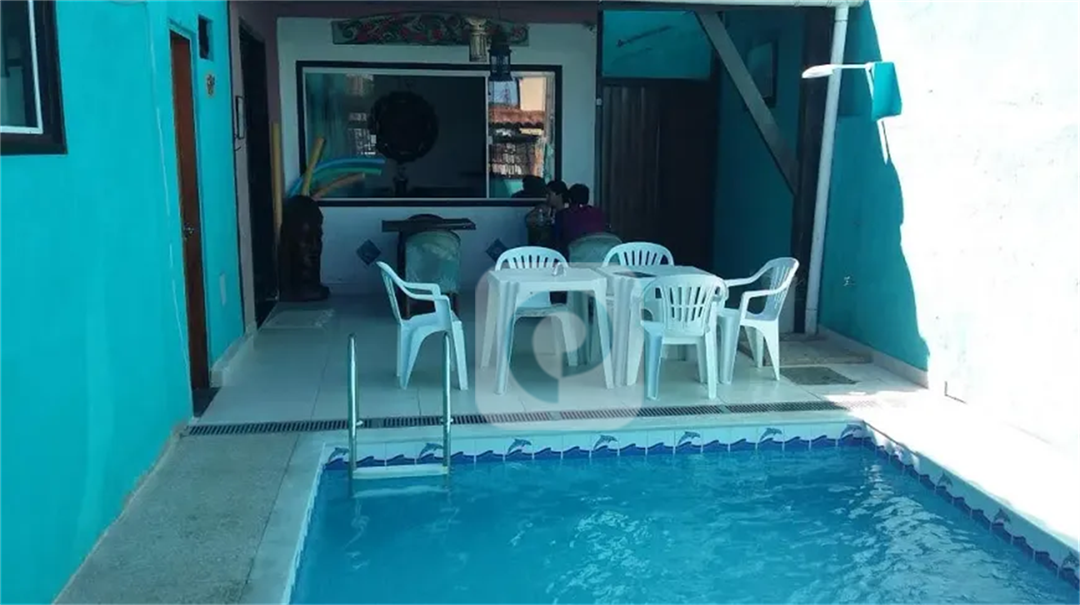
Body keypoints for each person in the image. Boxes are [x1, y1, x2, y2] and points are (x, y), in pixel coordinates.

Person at [554, 183, 607, 254]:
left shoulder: (563, 214)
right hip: (600, 254)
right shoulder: (599, 213)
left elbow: (557, 240)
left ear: (570, 199)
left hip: (574, 255)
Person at [524, 180, 568, 247]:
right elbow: (527, 219)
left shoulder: (568, 210)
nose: (546, 197)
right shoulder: (546, 208)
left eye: (549, 194)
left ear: (559, 195)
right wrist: (543, 219)